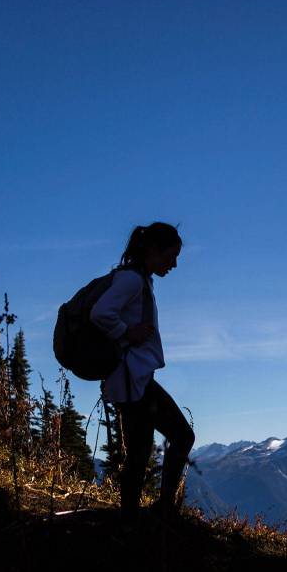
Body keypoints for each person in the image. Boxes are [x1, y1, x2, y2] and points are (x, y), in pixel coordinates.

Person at [90, 222, 194, 525]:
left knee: (143, 448)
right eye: (170, 256)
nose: (173, 264)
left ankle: (139, 516)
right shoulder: (131, 281)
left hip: (136, 377)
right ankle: (146, 516)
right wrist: (127, 332)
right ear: (152, 250)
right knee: (171, 439)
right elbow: (100, 313)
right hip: (130, 378)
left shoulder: (140, 280)